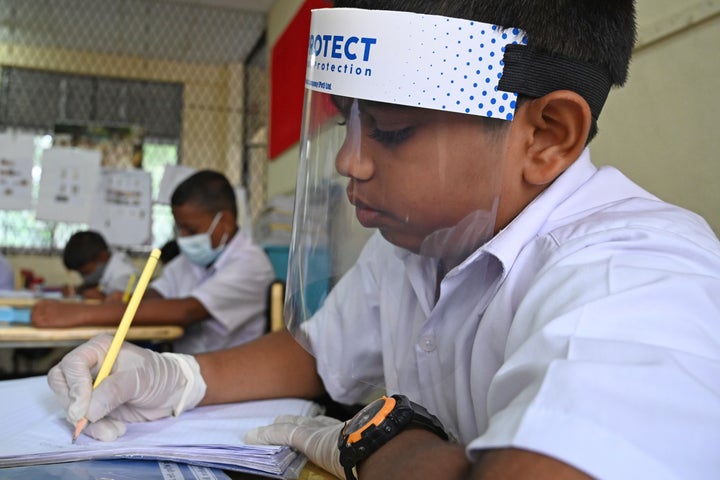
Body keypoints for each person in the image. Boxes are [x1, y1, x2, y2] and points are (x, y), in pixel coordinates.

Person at [47, 2, 720, 479]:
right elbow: (319, 352)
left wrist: (385, 439)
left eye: (392, 132)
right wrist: (177, 376)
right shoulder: (422, 239)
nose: (350, 162)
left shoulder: (641, 273)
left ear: (546, 135)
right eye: (348, 126)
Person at [33, 170, 275, 354]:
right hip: (184, 363)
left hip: (228, 374)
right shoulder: (190, 261)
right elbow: (157, 294)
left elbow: (186, 311)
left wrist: (83, 314)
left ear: (225, 222)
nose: (183, 239)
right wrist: (123, 301)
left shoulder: (251, 264)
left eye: (191, 229)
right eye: (179, 229)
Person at [60, 230, 139, 302]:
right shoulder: (110, 263)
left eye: (85, 273)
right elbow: (96, 285)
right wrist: (75, 290)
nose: (84, 277)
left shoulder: (123, 276)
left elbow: (123, 310)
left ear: (102, 256)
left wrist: (103, 299)